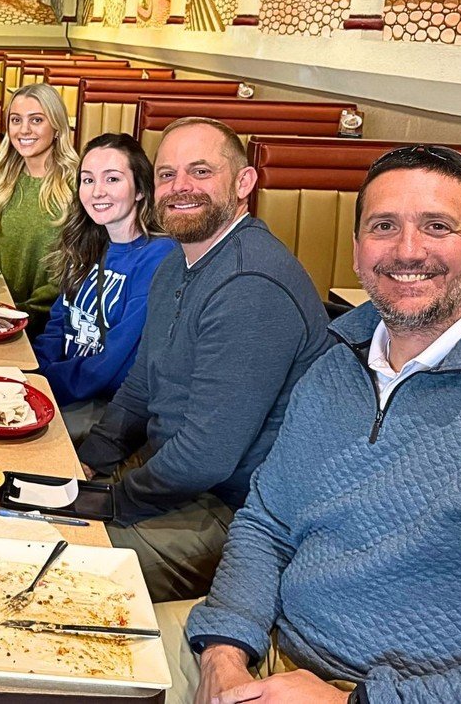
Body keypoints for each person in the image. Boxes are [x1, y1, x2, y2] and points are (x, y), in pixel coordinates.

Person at [172, 145, 461, 704]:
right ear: (358, 253)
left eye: (437, 226)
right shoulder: (336, 363)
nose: (408, 251)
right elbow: (267, 523)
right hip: (267, 655)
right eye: (384, 226)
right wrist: (225, 649)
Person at [77, 117, 330, 602]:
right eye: (167, 175)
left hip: (240, 515)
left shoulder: (250, 285)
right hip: (173, 478)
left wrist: (113, 500)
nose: (180, 188)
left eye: (200, 172)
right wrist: (89, 463)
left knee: (69, 567)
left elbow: (204, 457)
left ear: (244, 182)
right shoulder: (178, 260)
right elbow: (140, 385)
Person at [33, 133, 178, 440]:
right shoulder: (90, 242)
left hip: (104, 403)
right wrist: (34, 370)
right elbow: (59, 322)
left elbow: (115, 361)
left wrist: (42, 383)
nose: (97, 191)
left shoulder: (158, 257)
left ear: (139, 189)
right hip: (62, 386)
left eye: (112, 179)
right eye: (87, 180)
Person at [0, 82, 80, 339]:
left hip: (48, 327)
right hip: (2, 317)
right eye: (16, 120)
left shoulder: (77, 186)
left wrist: (18, 314)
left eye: (36, 120)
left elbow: (72, 273)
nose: (24, 130)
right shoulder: (6, 180)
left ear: (57, 127)